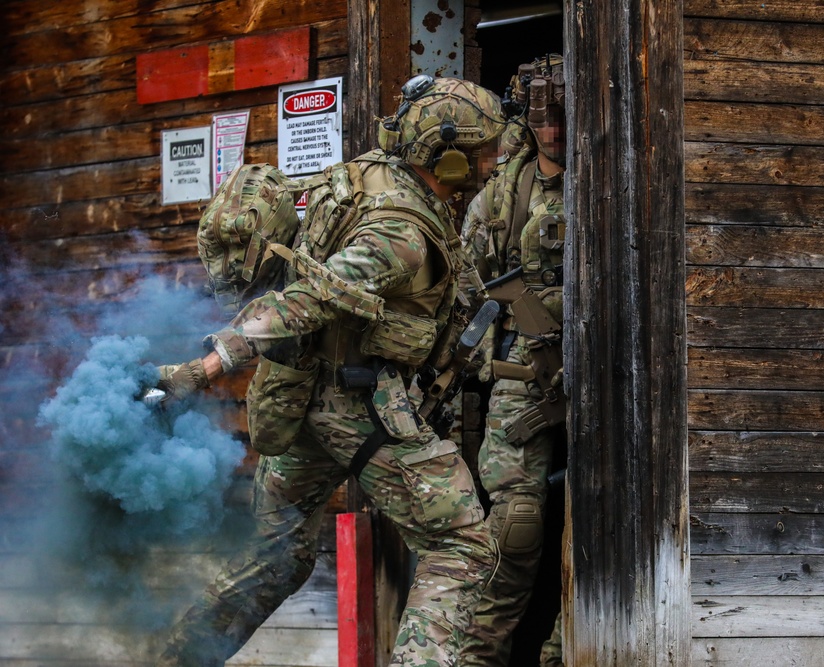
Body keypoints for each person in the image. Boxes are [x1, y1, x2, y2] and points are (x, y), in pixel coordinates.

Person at [153, 75, 507, 667]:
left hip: (295, 395)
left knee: (277, 556)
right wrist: (211, 363)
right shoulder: (401, 234)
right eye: (485, 152)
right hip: (361, 406)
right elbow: (311, 297)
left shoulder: (366, 174)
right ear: (445, 158)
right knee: (463, 543)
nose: (495, 163)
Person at [458, 55, 567, 667]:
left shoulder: (614, 182)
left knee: (608, 519)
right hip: (524, 379)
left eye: (563, 113)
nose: (552, 127)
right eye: (541, 113)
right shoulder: (500, 197)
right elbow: (472, 299)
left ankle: (565, 651)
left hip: (609, 374)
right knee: (515, 527)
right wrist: (468, 362)